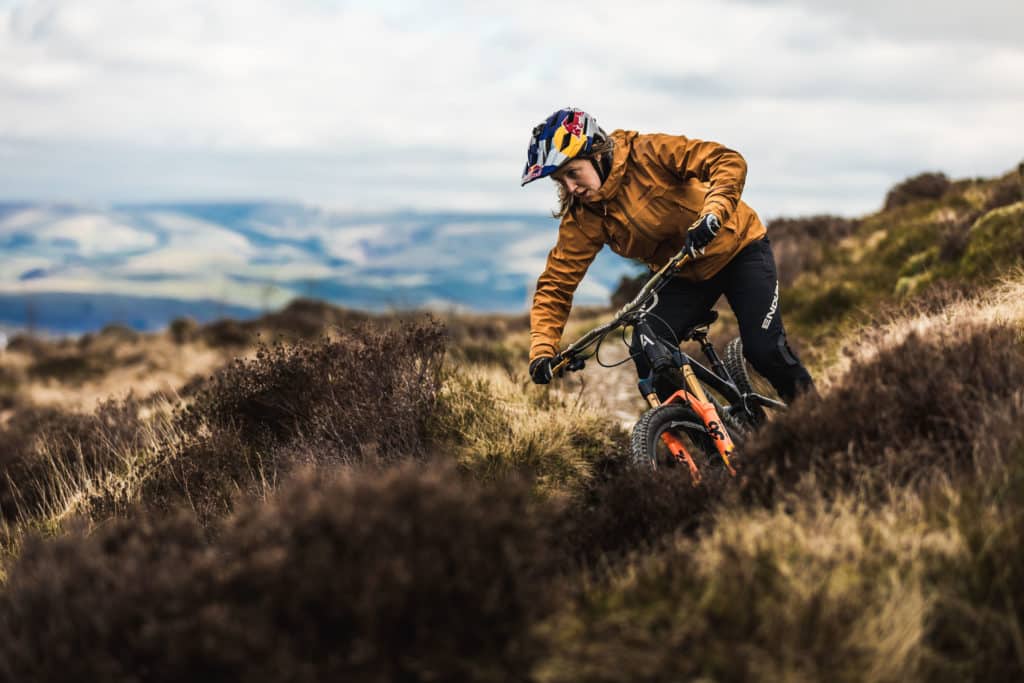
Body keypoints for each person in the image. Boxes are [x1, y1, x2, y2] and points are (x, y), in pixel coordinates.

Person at [521, 107, 814, 402]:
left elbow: (726, 161)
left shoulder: (646, 153)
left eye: (573, 173)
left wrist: (713, 213)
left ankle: (814, 417)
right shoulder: (584, 215)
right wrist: (543, 350)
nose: (571, 187)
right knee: (647, 353)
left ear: (596, 154)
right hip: (682, 272)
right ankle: (710, 441)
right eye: (561, 181)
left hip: (738, 249)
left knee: (764, 350)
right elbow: (557, 283)